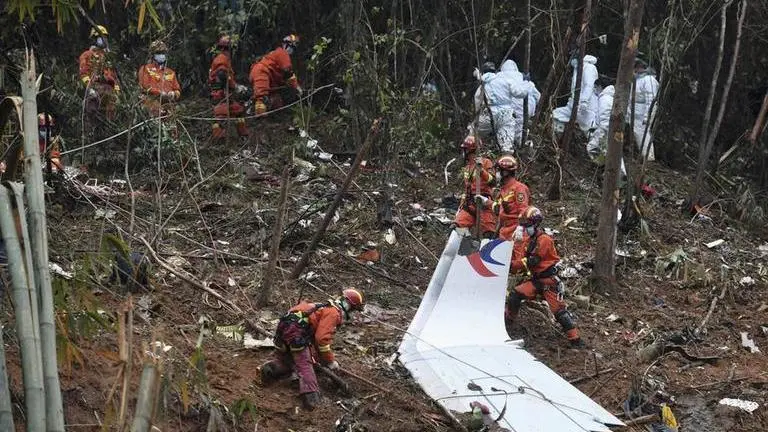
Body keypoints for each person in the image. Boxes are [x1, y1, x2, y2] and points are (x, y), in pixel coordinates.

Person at [260, 289, 365, 410]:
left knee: (288, 359)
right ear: (347, 305)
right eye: (353, 309)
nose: (351, 313)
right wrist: (330, 361)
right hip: (296, 331)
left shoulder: (321, 306)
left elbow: (314, 338)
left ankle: (270, 369)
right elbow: (322, 340)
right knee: (304, 364)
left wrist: (317, 357)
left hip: (285, 327)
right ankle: (312, 400)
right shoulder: (333, 312)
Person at [505, 207, 583, 347]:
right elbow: (521, 257)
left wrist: (512, 266)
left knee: (559, 313)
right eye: (523, 225)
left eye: (526, 225)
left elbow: (531, 261)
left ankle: (575, 340)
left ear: (535, 224)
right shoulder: (528, 239)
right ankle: (508, 323)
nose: (524, 228)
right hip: (536, 280)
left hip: (549, 282)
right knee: (515, 295)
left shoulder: (544, 240)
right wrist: (515, 244)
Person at [473, 60, 531, 153]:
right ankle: (507, 162)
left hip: (488, 113)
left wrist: (477, 116)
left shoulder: (482, 83)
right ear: (494, 71)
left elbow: (477, 100)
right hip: (506, 114)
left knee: (473, 134)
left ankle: (471, 159)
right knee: (506, 146)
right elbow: (520, 93)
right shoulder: (505, 80)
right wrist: (526, 82)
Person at [454, 135, 497, 237]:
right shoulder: (467, 167)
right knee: (457, 227)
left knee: (489, 234)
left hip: (484, 203)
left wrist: (481, 170)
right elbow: (466, 190)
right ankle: (464, 250)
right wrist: (460, 207)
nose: (463, 152)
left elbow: (493, 182)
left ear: (469, 151)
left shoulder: (486, 162)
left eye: (465, 150)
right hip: (470, 205)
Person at [208, 35, 249, 139]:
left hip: (227, 94)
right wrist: (235, 86)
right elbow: (222, 75)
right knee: (221, 118)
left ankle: (243, 136)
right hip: (220, 94)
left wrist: (235, 86)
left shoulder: (226, 60)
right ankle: (219, 140)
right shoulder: (222, 59)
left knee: (238, 110)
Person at [249, 34, 302, 115]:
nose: (292, 50)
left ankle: (271, 115)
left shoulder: (276, 53)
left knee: (277, 102)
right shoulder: (282, 53)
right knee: (261, 97)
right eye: (292, 47)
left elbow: (282, 74)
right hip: (262, 73)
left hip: (264, 74)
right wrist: (296, 86)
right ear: (287, 45)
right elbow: (288, 71)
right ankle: (260, 118)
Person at [79, 25, 120, 126]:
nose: (104, 40)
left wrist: (117, 91)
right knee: (92, 116)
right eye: (101, 37)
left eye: (105, 38)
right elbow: (83, 73)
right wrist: (90, 89)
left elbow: (114, 76)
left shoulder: (108, 57)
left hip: (109, 92)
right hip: (95, 90)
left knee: (110, 120)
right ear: (94, 39)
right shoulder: (87, 55)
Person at [586, 79, 627, 177]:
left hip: (607, 130)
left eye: (596, 87)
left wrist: (601, 131)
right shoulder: (611, 97)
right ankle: (617, 171)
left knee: (593, 148)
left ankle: (608, 168)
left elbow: (604, 117)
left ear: (600, 86)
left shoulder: (604, 98)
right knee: (614, 150)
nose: (595, 90)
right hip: (613, 128)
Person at [552, 54, 599, 138]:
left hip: (586, 108)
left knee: (589, 131)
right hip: (574, 105)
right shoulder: (577, 68)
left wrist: (584, 101)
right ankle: (556, 140)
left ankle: (595, 148)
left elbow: (588, 85)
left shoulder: (588, 67)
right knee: (557, 115)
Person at [498, 59, 541, 145]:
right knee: (520, 131)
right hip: (525, 111)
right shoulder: (523, 77)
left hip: (506, 111)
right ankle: (525, 147)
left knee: (506, 131)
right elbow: (538, 96)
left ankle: (507, 147)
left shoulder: (498, 77)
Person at [137, 41, 181, 117]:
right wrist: (159, 93)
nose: (161, 55)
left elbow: (177, 89)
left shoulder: (170, 72)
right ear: (152, 55)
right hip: (151, 105)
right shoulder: (146, 69)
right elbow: (144, 86)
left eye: (163, 53)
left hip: (168, 107)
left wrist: (174, 94)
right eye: (158, 53)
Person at [492, 155, 529, 241]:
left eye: (499, 170)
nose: (496, 173)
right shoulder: (503, 189)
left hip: (516, 232)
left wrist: (520, 228)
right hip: (504, 231)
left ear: (505, 172)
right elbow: (501, 213)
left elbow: (524, 210)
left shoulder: (519, 188)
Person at [628, 58, 658, 161]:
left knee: (643, 134)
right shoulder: (637, 79)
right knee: (637, 133)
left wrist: (647, 116)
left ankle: (648, 157)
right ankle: (643, 155)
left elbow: (651, 100)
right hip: (635, 113)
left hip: (642, 114)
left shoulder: (649, 80)